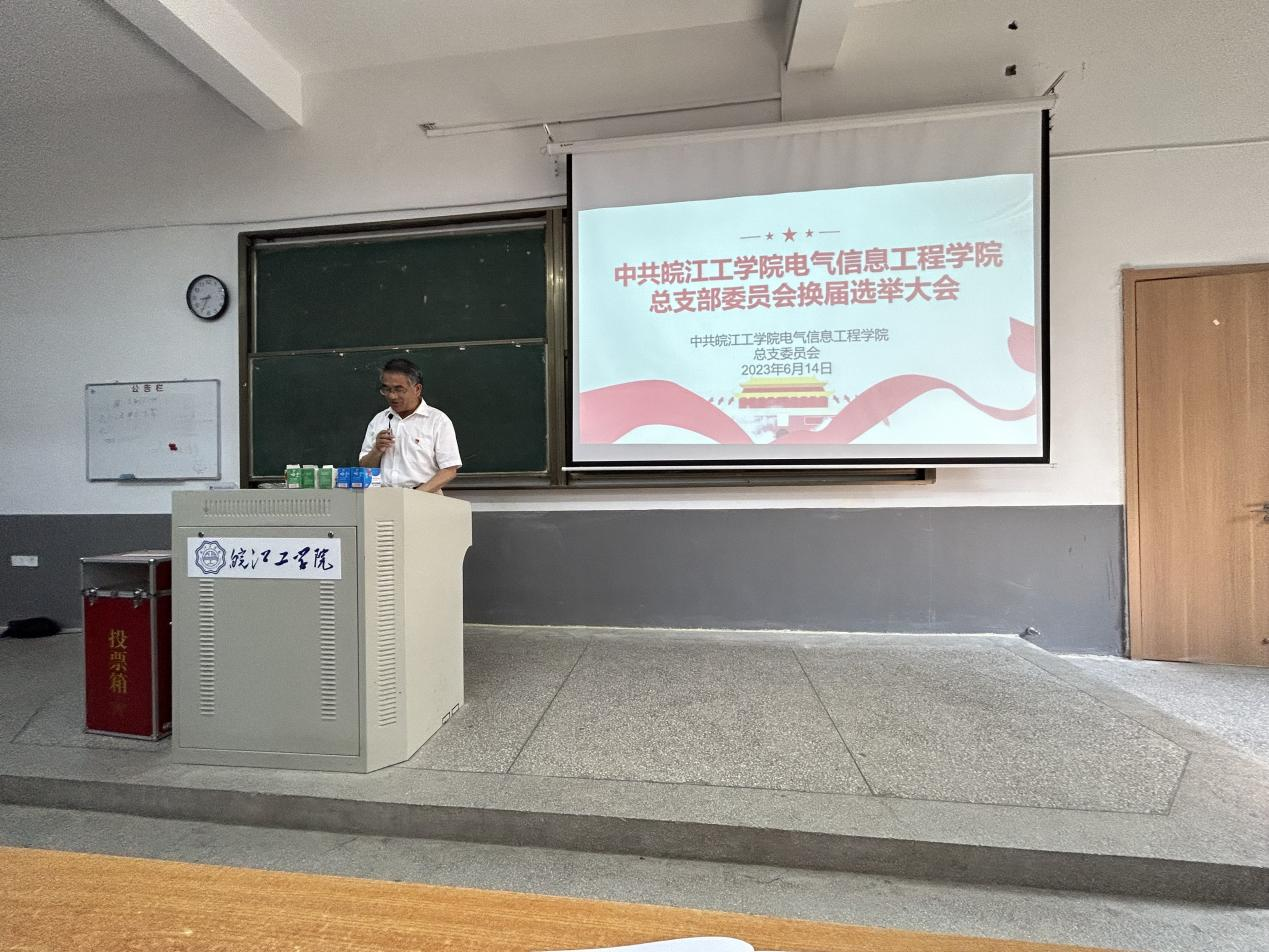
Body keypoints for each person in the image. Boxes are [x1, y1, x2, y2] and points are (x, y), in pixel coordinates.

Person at [358, 358, 461, 492]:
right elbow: (365, 468)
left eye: (399, 390)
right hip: (383, 495)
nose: (392, 396)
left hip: (425, 495)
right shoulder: (379, 420)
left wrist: (415, 495)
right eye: (387, 389)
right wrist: (376, 450)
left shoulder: (438, 420)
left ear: (417, 389)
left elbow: (449, 470)